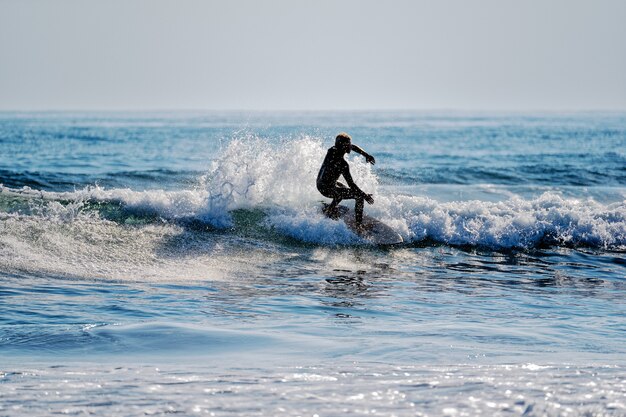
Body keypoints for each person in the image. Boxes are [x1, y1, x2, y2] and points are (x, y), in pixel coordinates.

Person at [317, 132, 375, 228]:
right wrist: (365, 196)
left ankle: (332, 207)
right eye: (348, 144)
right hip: (327, 190)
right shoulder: (342, 164)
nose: (350, 146)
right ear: (343, 147)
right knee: (358, 197)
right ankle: (358, 225)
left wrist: (366, 155)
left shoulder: (332, 150)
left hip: (320, 184)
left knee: (343, 187)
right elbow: (352, 185)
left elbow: (353, 147)